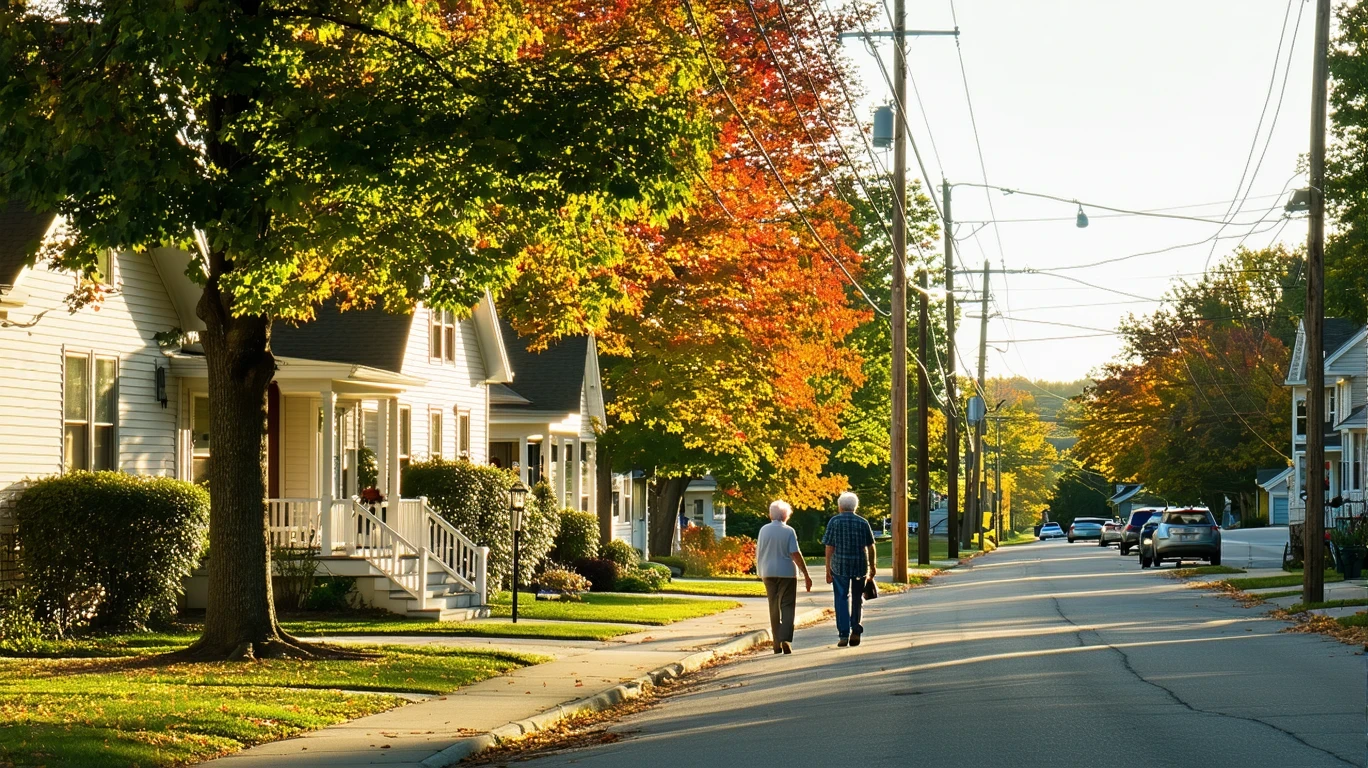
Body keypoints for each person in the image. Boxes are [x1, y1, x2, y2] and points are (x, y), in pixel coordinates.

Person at [756, 500, 812, 654]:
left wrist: (759, 570)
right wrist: (806, 574)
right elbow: (795, 553)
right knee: (787, 606)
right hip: (787, 572)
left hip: (767, 572)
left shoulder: (763, 530)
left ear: (771, 515)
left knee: (773, 606)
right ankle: (785, 639)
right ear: (785, 515)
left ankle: (776, 643)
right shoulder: (788, 531)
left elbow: (759, 552)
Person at [822, 491, 876, 647]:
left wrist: (828, 568)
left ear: (840, 506)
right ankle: (856, 629)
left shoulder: (834, 522)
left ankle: (843, 634)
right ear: (855, 507)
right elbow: (871, 546)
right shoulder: (863, 522)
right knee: (857, 598)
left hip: (839, 566)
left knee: (841, 598)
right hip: (859, 565)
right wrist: (872, 566)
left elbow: (829, 546)